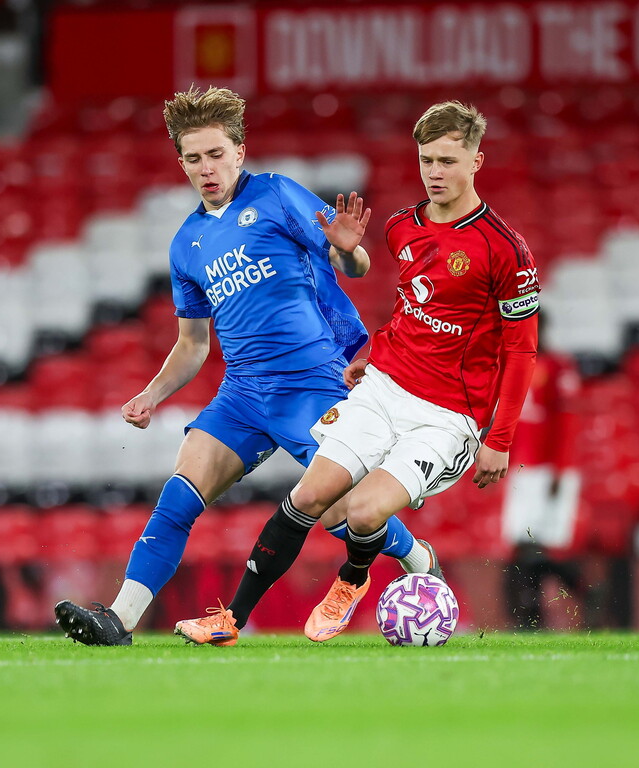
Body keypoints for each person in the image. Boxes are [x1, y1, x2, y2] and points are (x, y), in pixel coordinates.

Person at [54, 86, 437, 645]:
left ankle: (417, 555)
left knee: (343, 512)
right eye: (193, 158)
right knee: (181, 493)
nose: (206, 169)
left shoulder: (279, 195)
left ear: (238, 151)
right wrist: (152, 394)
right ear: (180, 162)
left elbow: (350, 259)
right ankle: (119, 618)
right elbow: (192, 344)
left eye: (215, 155)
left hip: (314, 381)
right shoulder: (188, 243)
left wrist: (351, 250)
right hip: (244, 393)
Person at [175, 99, 540, 646]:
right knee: (308, 498)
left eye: (447, 160)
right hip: (383, 390)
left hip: (445, 415)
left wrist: (500, 439)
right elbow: (414, 308)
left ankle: (351, 578)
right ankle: (229, 620)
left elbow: (522, 350)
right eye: (426, 161)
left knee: (367, 513)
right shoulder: (402, 227)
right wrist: (375, 355)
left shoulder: (504, 249)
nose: (435, 173)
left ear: (476, 162)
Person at [501, 313, 584, 630]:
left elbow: (567, 425)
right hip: (524, 471)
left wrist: (560, 472)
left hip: (548, 472)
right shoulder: (514, 364)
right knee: (523, 543)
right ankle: (534, 615)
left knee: (536, 544)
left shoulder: (559, 367)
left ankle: (537, 613)